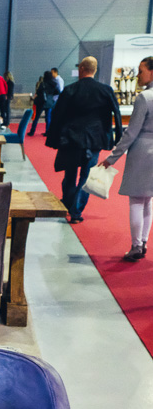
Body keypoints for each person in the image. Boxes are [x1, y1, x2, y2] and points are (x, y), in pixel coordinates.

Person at [46, 55, 122, 224]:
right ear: (94, 70)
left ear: (81, 69)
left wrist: (53, 138)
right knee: (86, 176)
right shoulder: (106, 90)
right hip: (95, 140)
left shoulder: (70, 90)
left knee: (70, 174)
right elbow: (116, 114)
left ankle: (68, 203)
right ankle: (76, 210)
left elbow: (58, 116)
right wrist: (117, 139)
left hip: (71, 140)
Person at [100, 56, 153, 260]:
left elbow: (131, 133)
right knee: (148, 200)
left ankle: (136, 245)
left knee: (137, 200)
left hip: (142, 152)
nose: (138, 75)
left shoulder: (144, 98)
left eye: (141, 71)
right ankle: (144, 242)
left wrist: (112, 158)